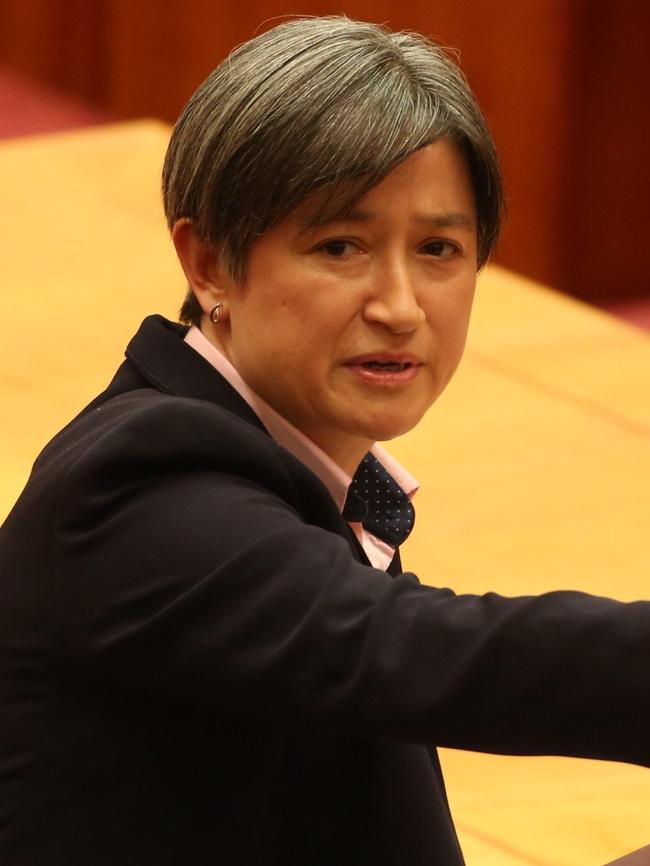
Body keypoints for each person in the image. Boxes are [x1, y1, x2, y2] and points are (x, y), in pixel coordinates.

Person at [0, 15, 648, 866]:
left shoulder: (292, 464)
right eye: (341, 245)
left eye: (439, 250)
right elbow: (429, 654)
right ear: (209, 265)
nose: (400, 305)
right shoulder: (139, 492)